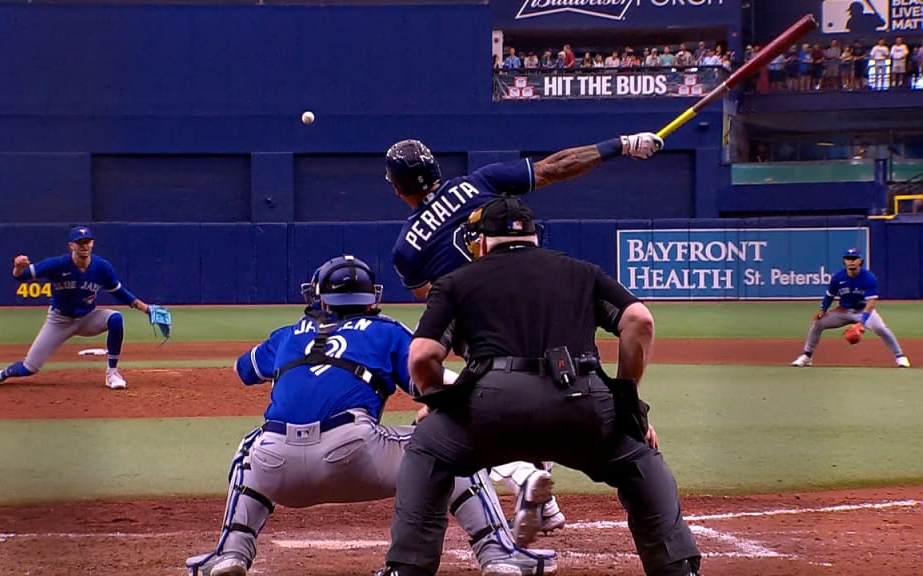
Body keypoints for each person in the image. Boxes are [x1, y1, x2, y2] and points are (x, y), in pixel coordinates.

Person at [375, 196, 702, 576]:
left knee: (428, 450)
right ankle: (677, 568)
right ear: (535, 237)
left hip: (490, 407)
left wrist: (438, 402)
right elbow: (640, 322)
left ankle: (407, 568)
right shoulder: (582, 272)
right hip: (581, 401)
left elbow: (421, 357)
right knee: (638, 457)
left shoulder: (456, 282)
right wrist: (627, 402)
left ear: (480, 241)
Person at [186, 255, 554, 576]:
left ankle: (230, 552)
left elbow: (243, 370)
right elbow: (430, 382)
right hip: (354, 454)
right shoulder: (385, 330)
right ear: (370, 299)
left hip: (275, 464)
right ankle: (498, 554)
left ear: (319, 298)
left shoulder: (287, 334)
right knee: (452, 446)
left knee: (249, 447)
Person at [384, 131, 663, 542]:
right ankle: (550, 504)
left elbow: (437, 304)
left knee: (467, 415)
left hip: (485, 339)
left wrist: (435, 399)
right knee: (553, 379)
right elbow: (557, 166)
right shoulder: (479, 182)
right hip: (546, 310)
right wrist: (619, 145)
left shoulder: (406, 249)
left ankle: (523, 478)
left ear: (397, 188)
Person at [0, 226, 170, 390]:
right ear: (71, 245)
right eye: (80, 242)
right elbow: (21, 276)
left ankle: (112, 373)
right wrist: (18, 267)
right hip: (59, 320)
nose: (84, 246)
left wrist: (147, 309)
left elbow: (120, 292)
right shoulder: (58, 264)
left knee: (116, 319)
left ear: (93, 243)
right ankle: (1, 374)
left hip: (88, 318)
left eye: (88, 241)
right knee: (30, 368)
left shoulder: (102, 267)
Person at [792, 248, 910, 368]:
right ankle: (807, 356)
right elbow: (829, 295)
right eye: (848, 259)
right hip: (843, 311)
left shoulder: (869, 278)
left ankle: (900, 356)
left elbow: (871, 303)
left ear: (860, 261)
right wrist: (822, 311)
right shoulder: (838, 277)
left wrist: (862, 323)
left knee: (881, 328)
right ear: (844, 261)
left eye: (854, 259)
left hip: (863, 311)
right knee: (817, 324)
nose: (851, 261)